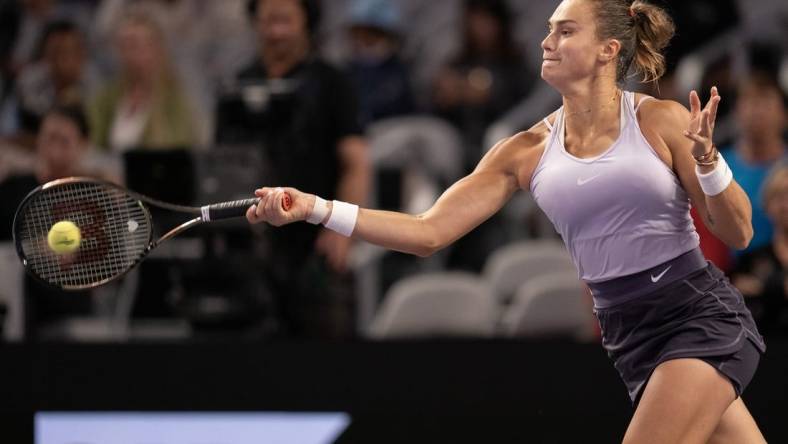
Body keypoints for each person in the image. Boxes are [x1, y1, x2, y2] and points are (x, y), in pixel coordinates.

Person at [247, 0, 768, 441]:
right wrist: (316, 208)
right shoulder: (523, 150)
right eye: (547, 30)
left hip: (696, 316)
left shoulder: (662, 119)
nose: (548, 40)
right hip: (627, 336)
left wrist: (709, 164)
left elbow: (738, 231)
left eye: (566, 31)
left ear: (609, 50)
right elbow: (427, 232)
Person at [219, 0, 370, 339]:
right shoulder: (237, 84)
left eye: (285, 21)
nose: (275, 31)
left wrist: (341, 231)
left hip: (317, 241)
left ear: (306, 24)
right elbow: (222, 166)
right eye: (267, 21)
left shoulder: (332, 83)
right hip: (251, 244)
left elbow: (356, 163)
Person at [0, 104, 98, 339]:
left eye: (63, 141)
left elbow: (103, 258)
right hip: (11, 302)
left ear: (82, 146)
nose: (53, 149)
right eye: (48, 138)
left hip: (67, 305)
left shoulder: (93, 196)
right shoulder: (12, 188)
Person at [87, 9, 197, 151]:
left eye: (134, 45)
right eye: (122, 45)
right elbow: (90, 143)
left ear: (155, 49)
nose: (127, 54)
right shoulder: (105, 99)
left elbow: (180, 150)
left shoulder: (176, 103)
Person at [731, 163, 788, 335]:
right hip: (767, 349)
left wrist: (761, 287)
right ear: (767, 205)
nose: (786, 205)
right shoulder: (751, 259)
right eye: (779, 197)